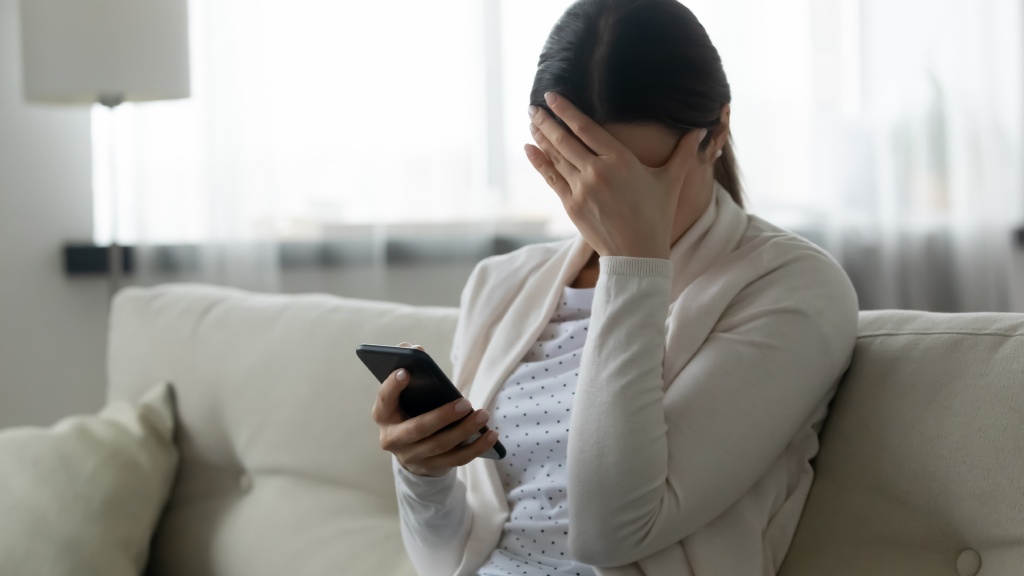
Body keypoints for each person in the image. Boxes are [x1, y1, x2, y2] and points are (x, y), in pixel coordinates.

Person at [370, 0, 859, 574]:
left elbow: (613, 533)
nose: (616, 200)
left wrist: (634, 265)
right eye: (587, 170)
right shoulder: (500, 285)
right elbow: (444, 561)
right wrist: (423, 476)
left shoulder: (792, 287)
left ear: (717, 131)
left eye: (642, 177)